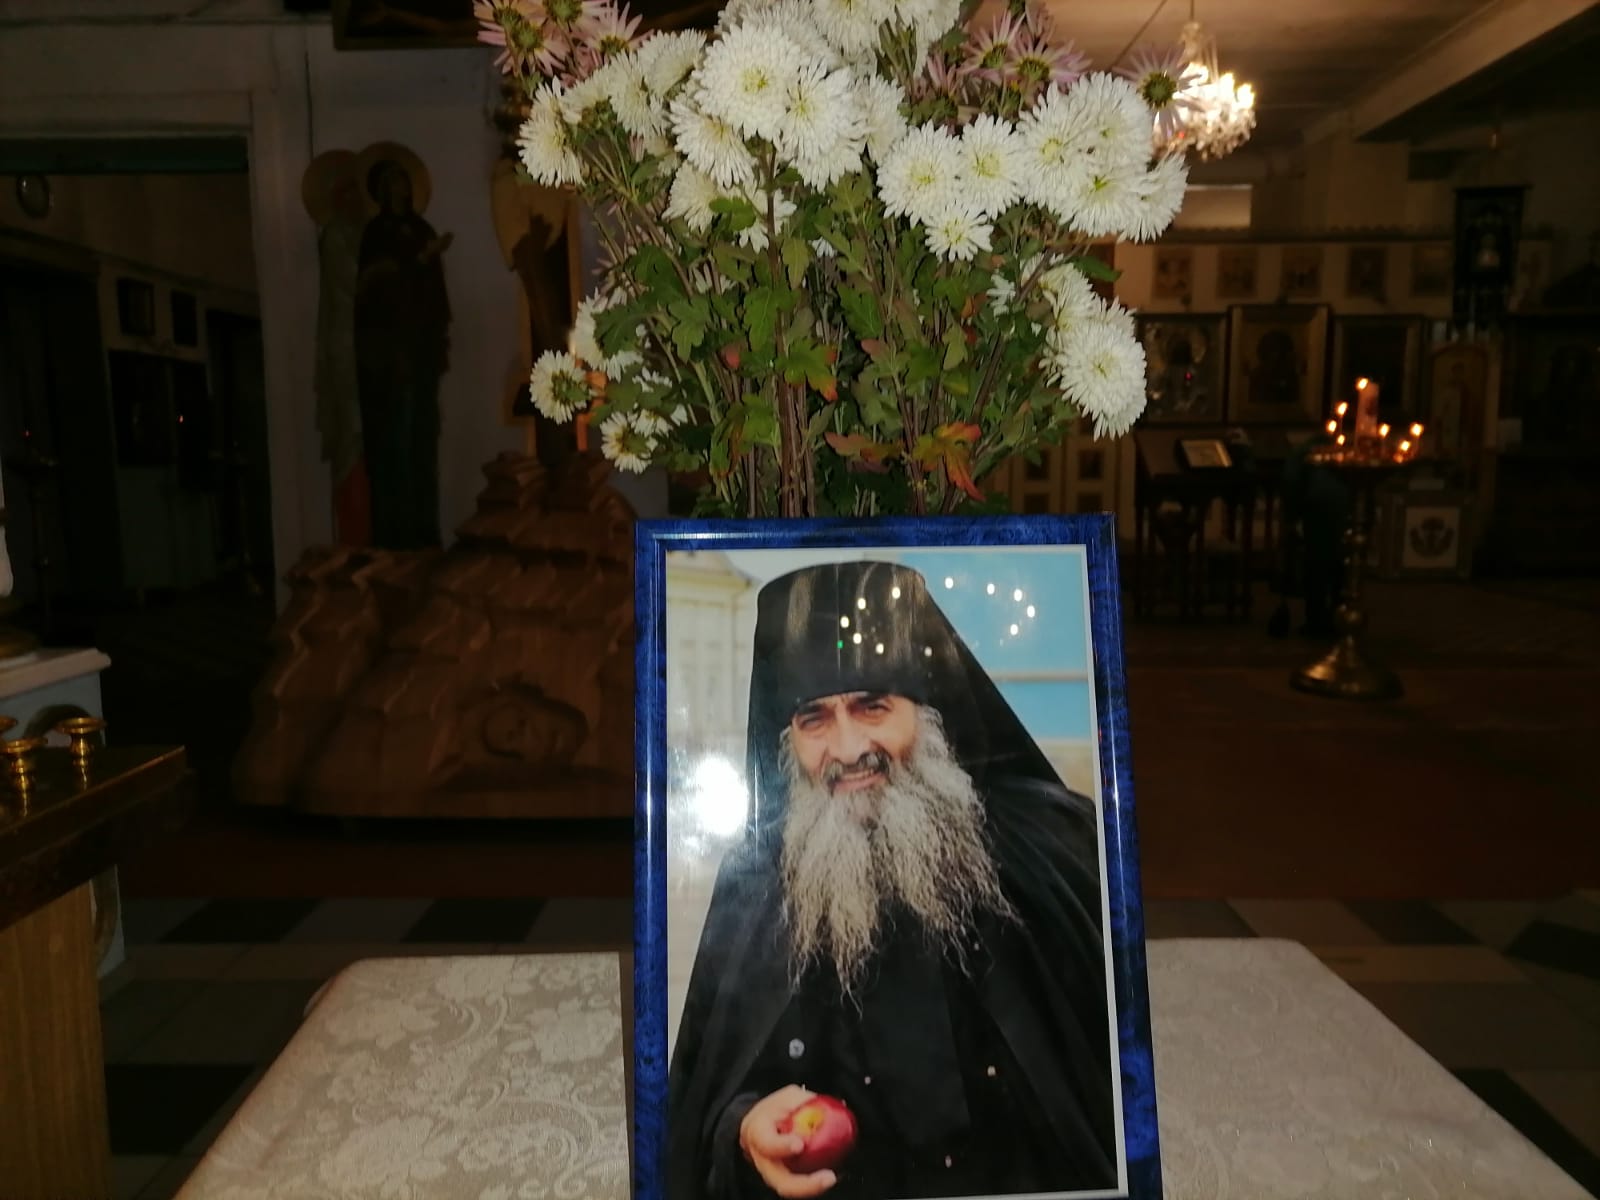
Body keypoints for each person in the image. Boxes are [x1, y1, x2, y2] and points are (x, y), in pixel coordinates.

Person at [669, 561, 1117, 1200]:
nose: (849, 749)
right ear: (788, 740)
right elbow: (707, 1101)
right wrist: (744, 1129)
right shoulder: (755, 886)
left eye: (872, 706)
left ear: (930, 713)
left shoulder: (1054, 842)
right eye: (814, 719)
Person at [353, 157, 453, 549]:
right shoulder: (376, 234)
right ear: (381, 191)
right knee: (394, 443)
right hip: (389, 355)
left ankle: (424, 531)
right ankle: (394, 535)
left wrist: (438, 340)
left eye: (404, 182)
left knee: (423, 443)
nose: (401, 189)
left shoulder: (422, 229)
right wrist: (416, 261)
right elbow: (371, 289)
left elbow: (435, 294)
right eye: (393, 183)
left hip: (421, 350)